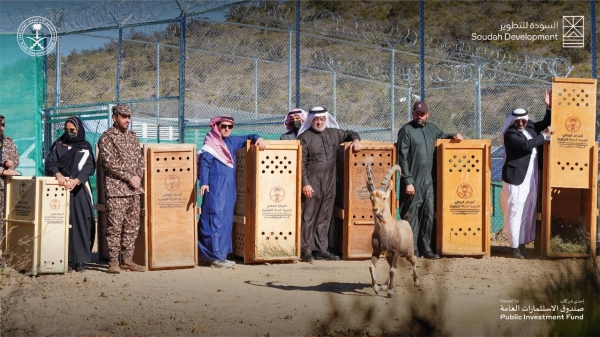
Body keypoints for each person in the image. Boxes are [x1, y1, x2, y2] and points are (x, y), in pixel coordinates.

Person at [397, 101, 463, 260]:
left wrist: (454, 136)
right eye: (416, 113)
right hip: (413, 180)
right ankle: (411, 250)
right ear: (413, 114)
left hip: (429, 182)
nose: (419, 116)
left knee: (428, 214)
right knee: (411, 216)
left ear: (428, 114)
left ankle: (426, 248)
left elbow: (443, 137)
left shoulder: (432, 129)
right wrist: (408, 181)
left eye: (422, 114)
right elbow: (402, 157)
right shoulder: (406, 130)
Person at [198, 115, 266, 268]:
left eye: (230, 127)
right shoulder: (211, 144)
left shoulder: (233, 142)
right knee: (213, 218)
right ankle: (213, 256)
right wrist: (204, 183)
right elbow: (205, 165)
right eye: (223, 126)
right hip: (214, 187)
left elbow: (250, 136)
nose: (227, 129)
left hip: (230, 188)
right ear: (217, 127)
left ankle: (221, 255)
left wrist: (259, 138)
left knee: (226, 220)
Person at [297, 106, 362, 262]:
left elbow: (350, 133)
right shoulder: (305, 137)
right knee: (308, 216)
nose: (319, 122)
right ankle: (305, 250)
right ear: (310, 120)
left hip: (330, 181)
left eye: (322, 119)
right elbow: (301, 162)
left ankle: (320, 248)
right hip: (312, 181)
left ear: (326, 119)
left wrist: (356, 140)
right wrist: (305, 183)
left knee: (325, 216)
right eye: (316, 120)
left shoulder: (334, 133)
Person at [499, 90, 554, 259]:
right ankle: (514, 248)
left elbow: (545, 122)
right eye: (518, 121)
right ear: (513, 121)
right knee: (515, 211)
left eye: (524, 120)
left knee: (527, 211)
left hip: (530, 178)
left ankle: (522, 245)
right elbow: (526, 145)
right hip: (516, 180)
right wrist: (545, 136)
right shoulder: (510, 134)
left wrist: (549, 106)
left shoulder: (530, 127)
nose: (521, 123)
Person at [98, 104, 146, 273]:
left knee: (132, 227)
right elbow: (110, 163)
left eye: (129, 117)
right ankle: (113, 262)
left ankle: (127, 260)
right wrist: (129, 177)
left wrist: (139, 176)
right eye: (124, 116)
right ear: (114, 117)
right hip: (117, 191)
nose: (127, 120)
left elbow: (141, 160)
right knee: (115, 227)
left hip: (134, 190)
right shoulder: (107, 138)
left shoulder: (132, 137)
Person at [45, 116, 95, 272]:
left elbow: (89, 167)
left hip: (79, 189)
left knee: (81, 221)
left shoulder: (85, 146)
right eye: (66, 130)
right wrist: (58, 175)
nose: (69, 132)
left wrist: (77, 180)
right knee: (60, 222)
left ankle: (80, 260)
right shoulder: (58, 145)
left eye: (72, 130)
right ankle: (63, 258)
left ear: (78, 130)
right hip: (59, 188)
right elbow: (50, 162)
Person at [0, 115, 20, 250]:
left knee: (5, 220)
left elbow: (16, 159)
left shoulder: (8, 142)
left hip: (6, 187)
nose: (1, 128)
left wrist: (10, 164)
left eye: (3, 125)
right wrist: (2, 171)